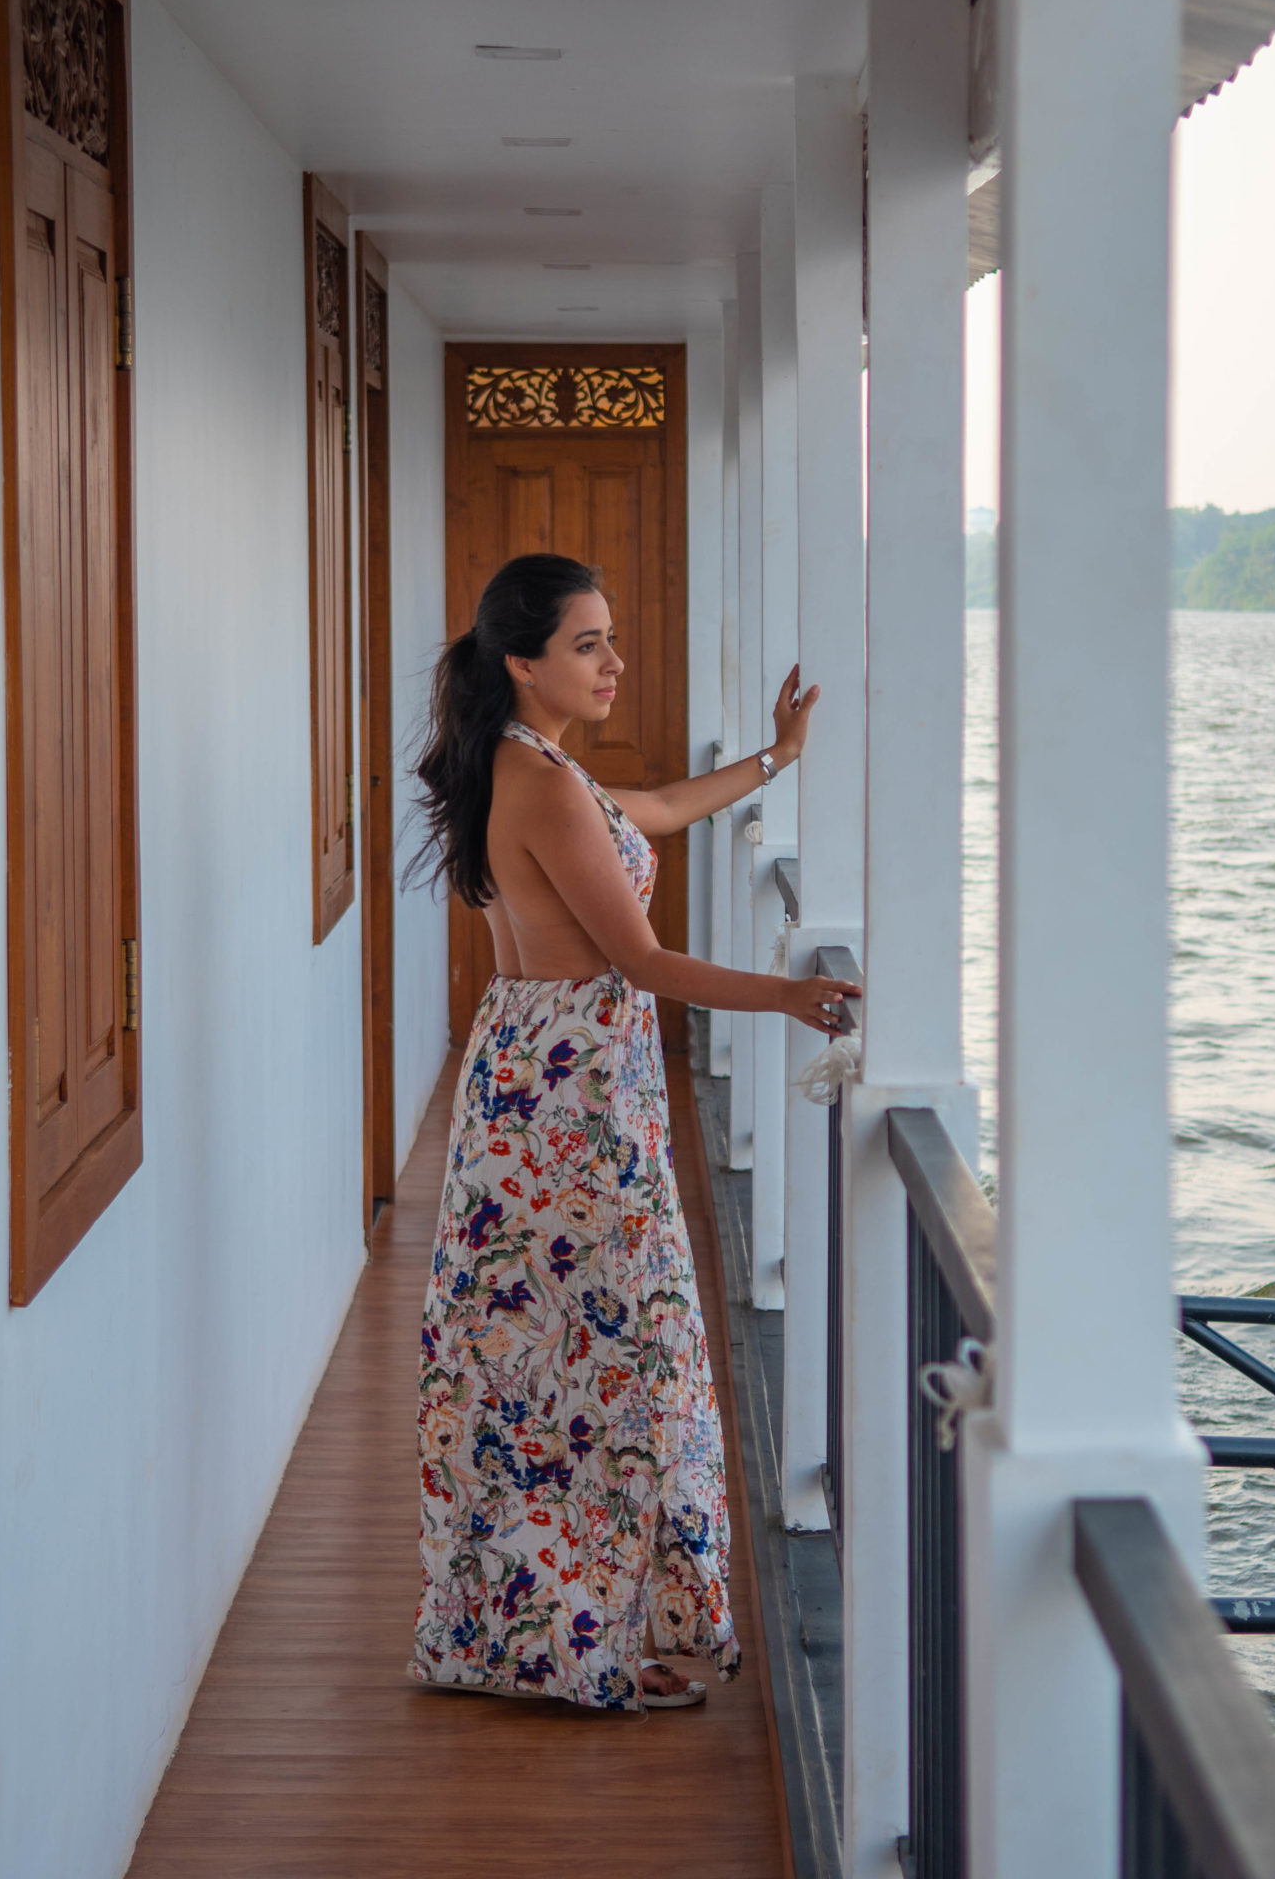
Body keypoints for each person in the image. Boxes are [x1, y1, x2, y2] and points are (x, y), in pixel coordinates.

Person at [407, 552, 860, 1712]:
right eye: (589, 644)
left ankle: (561, 1625)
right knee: (600, 1361)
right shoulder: (541, 781)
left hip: (547, 1083)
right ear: (524, 661)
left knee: (555, 1362)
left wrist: (776, 762)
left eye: (612, 637)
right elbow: (644, 961)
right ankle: (570, 1637)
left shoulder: (541, 765)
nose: (615, 661)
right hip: (567, 1106)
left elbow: (650, 810)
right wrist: (792, 996)